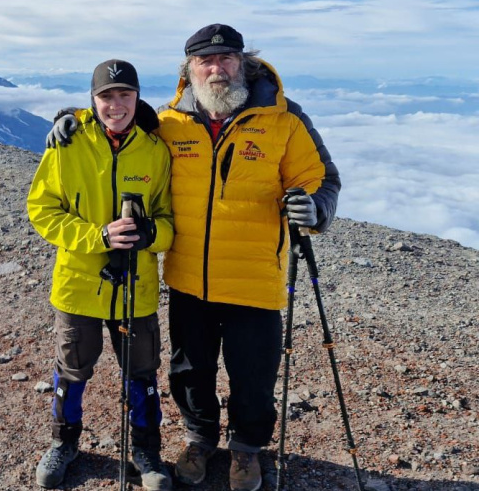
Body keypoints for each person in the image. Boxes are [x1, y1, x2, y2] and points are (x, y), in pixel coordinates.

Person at [47, 24, 340, 491]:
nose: (217, 68)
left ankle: (246, 450)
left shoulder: (285, 119)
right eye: (206, 61)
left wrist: (317, 208)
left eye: (226, 59)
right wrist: (68, 117)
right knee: (190, 370)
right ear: (190, 70)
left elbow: (322, 179)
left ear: (243, 63)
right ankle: (199, 439)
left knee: (253, 374)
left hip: (254, 277)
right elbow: (116, 120)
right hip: (190, 278)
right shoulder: (169, 123)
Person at [28, 59, 176, 490]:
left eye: (125, 94)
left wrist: (151, 232)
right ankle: (63, 442)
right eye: (106, 96)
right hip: (79, 285)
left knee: (142, 372)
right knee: (72, 368)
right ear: (93, 101)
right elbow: (42, 209)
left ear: (137, 97)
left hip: (136, 285)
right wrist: (99, 236)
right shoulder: (67, 145)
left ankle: (147, 451)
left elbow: (169, 221)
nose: (116, 105)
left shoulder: (154, 151)